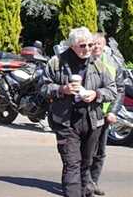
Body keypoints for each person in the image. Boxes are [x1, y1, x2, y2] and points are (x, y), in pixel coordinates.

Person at [41, 27, 117, 197]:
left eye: (90, 45)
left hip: (91, 120)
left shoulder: (98, 65)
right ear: (72, 45)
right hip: (66, 121)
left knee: (86, 163)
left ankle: (85, 191)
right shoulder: (56, 63)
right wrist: (62, 89)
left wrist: (96, 94)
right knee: (72, 163)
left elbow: (112, 90)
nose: (88, 49)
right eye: (83, 45)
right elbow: (43, 88)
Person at [89, 32, 126, 196]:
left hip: (103, 115)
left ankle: (93, 182)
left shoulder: (112, 64)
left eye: (99, 44)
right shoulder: (83, 62)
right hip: (85, 114)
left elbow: (120, 90)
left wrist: (112, 111)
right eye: (94, 43)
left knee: (100, 152)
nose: (96, 46)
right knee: (85, 151)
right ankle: (82, 182)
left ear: (104, 46)